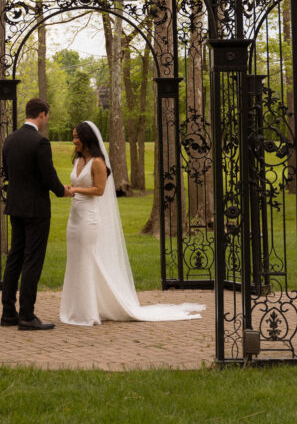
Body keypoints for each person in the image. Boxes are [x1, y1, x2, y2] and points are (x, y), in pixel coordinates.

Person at [59, 120, 206, 326]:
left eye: (76, 137)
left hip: (89, 219)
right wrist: (69, 190)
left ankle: (88, 312)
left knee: (87, 260)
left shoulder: (98, 162)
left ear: (86, 139)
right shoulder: (77, 161)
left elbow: (99, 190)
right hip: (75, 217)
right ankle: (76, 308)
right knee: (76, 260)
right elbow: (79, 186)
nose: (74, 140)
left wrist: (76, 190)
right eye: (73, 136)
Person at [1, 97, 73, 330]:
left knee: (15, 258)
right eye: (47, 117)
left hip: (15, 207)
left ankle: (8, 313)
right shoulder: (40, 142)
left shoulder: (10, 140)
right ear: (42, 114)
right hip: (36, 210)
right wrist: (62, 191)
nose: (46, 121)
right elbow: (48, 176)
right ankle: (27, 315)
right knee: (33, 259)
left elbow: (7, 172)